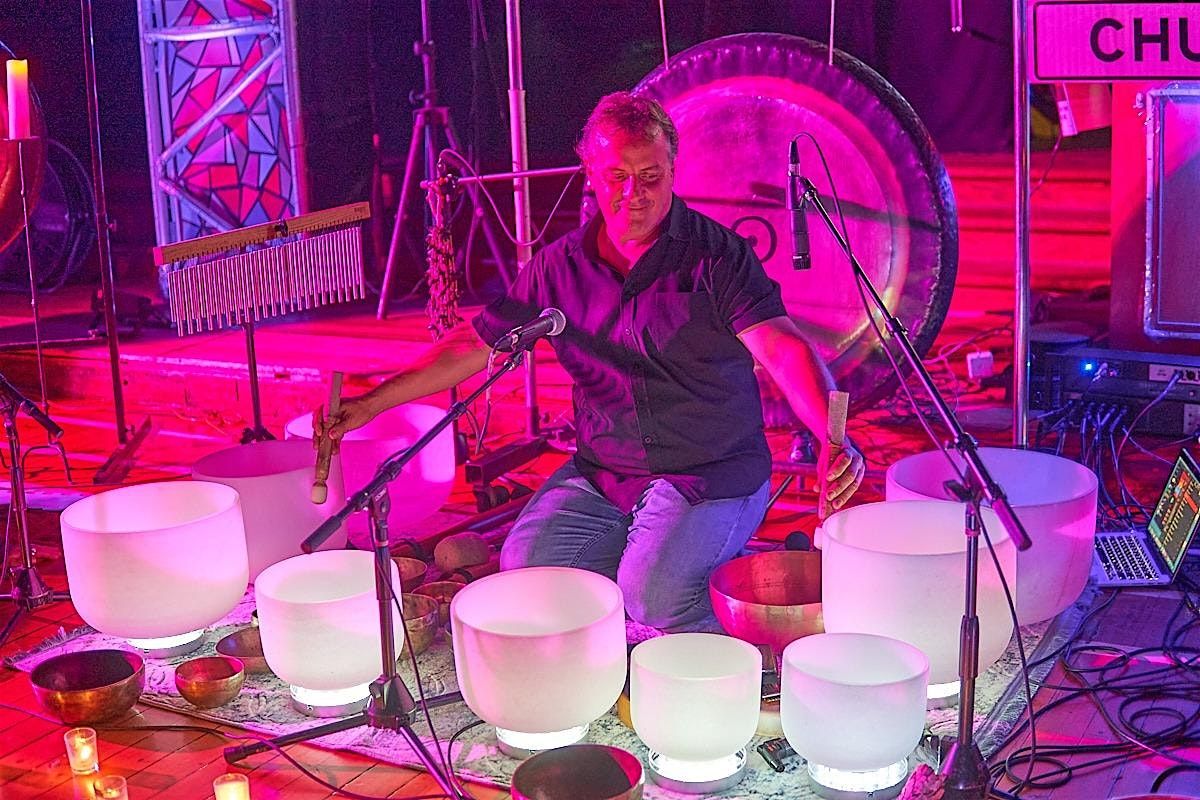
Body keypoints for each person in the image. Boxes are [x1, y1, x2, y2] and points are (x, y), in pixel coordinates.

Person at [318, 92, 864, 633]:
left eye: (650, 177)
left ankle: (746, 617)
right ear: (591, 175)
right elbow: (473, 345)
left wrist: (829, 434)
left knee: (652, 597)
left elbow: (781, 347)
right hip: (606, 474)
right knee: (526, 569)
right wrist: (370, 405)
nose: (634, 194)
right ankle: (685, 562)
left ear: (673, 171)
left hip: (711, 471)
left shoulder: (719, 256)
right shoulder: (558, 268)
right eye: (616, 177)